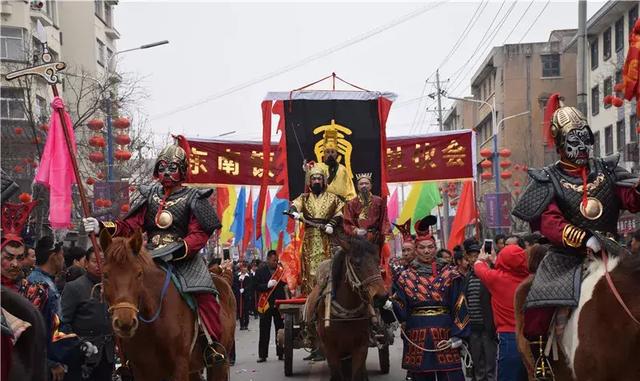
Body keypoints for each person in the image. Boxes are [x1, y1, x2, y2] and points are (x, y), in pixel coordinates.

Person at [511, 94, 640, 375]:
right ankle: (542, 363)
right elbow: (549, 222)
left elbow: (630, 198)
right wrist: (583, 238)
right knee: (536, 310)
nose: (581, 147)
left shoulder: (607, 170)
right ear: (560, 145)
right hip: (566, 258)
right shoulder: (548, 179)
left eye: (585, 138)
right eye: (573, 141)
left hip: (613, 251)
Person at [83, 139, 225, 360]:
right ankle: (124, 353)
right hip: (149, 255)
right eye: (162, 167)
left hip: (184, 256)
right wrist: (102, 225)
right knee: (122, 293)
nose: (166, 172)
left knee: (205, 294)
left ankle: (212, 344)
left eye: (172, 168)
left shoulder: (193, 197)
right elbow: (129, 225)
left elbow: (200, 232)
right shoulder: (149, 194)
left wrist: (182, 249)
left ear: (182, 171)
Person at [388, 216, 470, 381]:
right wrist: (387, 302)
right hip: (417, 335)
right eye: (422, 247)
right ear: (416, 249)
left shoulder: (450, 274)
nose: (427, 251)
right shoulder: (405, 277)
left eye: (430, 247)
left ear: (435, 248)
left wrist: (457, 336)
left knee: (451, 376)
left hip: (446, 335)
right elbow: (401, 310)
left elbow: (459, 305)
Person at [474, 244, 529, 381]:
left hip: (508, 336)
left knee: (507, 376)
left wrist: (482, 258)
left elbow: (478, 267)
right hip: (529, 336)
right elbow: (513, 266)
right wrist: (496, 260)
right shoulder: (530, 279)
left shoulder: (496, 279)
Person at [289, 165, 345, 295]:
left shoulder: (333, 198)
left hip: (327, 236)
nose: (316, 181)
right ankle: (310, 295)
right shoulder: (304, 197)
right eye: (314, 178)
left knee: (328, 266)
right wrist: (294, 213)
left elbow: (340, 213)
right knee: (309, 269)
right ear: (310, 181)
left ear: (323, 181)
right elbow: (294, 206)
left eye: (319, 178)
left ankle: (329, 293)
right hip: (309, 238)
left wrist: (331, 224)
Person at [61, 249, 114, 381]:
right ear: (86, 263)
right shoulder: (74, 287)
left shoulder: (113, 287)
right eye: (95, 262)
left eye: (103, 262)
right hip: (82, 354)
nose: (99, 266)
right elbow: (63, 321)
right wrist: (79, 344)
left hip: (107, 353)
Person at [28, 236, 68, 381]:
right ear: (53, 257)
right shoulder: (37, 284)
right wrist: (49, 362)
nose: (63, 260)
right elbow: (30, 330)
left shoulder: (48, 282)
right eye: (62, 255)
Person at [462, 238, 497, 381]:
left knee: (491, 366)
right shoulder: (467, 278)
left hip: (488, 328)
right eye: (471, 256)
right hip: (473, 329)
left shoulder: (490, 275)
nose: (474, 259)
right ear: (467, 259)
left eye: (477, 255)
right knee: (478, 366)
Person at [303, 121, 356, 201]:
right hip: (321, 201)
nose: (330, 154)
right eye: (327, 152)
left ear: (336, 154)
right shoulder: (317, 166)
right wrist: (307, 168)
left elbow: (350, 190)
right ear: (324, 154)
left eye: (332, 152)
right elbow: (310, 180)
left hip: (339, 203)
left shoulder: (342, 169)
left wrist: (350, 202)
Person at [343, 172, 391, 248]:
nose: (364, 186)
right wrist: (356, 231)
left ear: (371, 185)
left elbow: (384, 220)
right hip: (357, 240)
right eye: (361, 184)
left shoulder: (379, 201)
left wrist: (385, 236)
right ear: (357, 187)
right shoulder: (351, 203)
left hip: (375, 238)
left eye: (366, 183)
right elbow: (346, 223)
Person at [254, 250, 285, 363]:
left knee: (280, 329)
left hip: (278, 304)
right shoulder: (260, 271)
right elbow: (256, 286)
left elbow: (285, 284)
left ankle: (281, 353)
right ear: (268, 259)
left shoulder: (281, 271)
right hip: (265, 305)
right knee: (264, 330)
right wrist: (267, 285)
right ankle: (262, 355)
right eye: (273, 260)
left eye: (277, 260)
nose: (275, 262)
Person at [233, 261, 252, 331]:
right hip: (239, 295)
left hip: (246, 296)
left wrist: (244, 289)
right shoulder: (237, 275)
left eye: (245, 267)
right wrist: (238, 289)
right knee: (240, 309)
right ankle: (241, 325)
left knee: (246, 310)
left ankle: (246, 324)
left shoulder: (249, 276)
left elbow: (250, 285)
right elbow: (234, 284)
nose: (244, 269)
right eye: (242, 267)